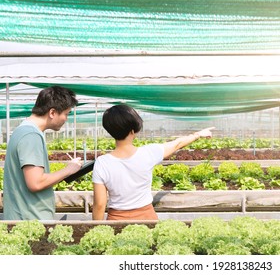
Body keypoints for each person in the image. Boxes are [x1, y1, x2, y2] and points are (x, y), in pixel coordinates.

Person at [92, 104, 214, 221]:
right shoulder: (148, 153)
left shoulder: (102, 163)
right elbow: (177, 144)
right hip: (146, 218)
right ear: (133, 131)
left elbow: (100, 204)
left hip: (116, 219)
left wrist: (96, 231)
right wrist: (198, 134)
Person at [3, 86, 82, 220]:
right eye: (66, 114)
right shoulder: (31, 135)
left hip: (25, 219)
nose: (66, 119)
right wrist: (69, 170)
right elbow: (36, 183)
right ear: (52, 112)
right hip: (30, 221)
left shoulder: (23, 130)